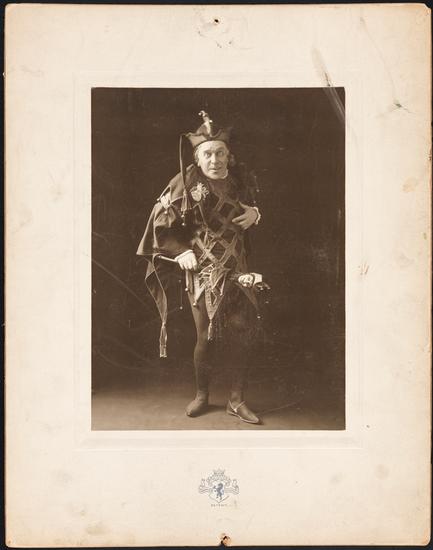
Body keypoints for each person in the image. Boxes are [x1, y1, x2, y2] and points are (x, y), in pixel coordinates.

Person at [137, 111, 267, 424]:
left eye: (220, 153)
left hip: (238, 267)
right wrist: (180, 251)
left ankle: (236, 400)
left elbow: (256, 206)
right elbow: (159, 221)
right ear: (197, 157)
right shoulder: (185, 182)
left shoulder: (241, 179)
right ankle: (201, 395)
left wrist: (256, 214)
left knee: (241, 331)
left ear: (228, 155)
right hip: (203, 270)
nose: (215, 160)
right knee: (206, 335)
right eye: (207, 154)